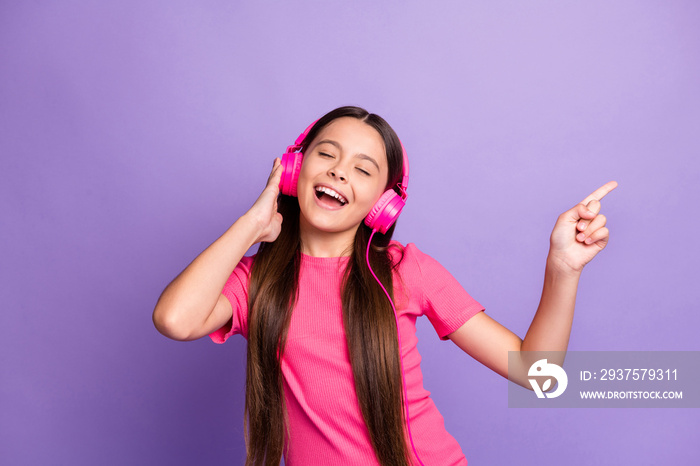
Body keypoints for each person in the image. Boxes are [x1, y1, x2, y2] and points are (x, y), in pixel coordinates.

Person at [152, 106, 617, 466]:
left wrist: (563, 269)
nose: (338, 171)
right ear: (294, 168)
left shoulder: (405, 271)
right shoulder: (254, 282)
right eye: (327, 154)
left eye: (363, 168)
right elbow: (174, 319)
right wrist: (252, 225)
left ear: (383, 205)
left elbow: (537, 376)